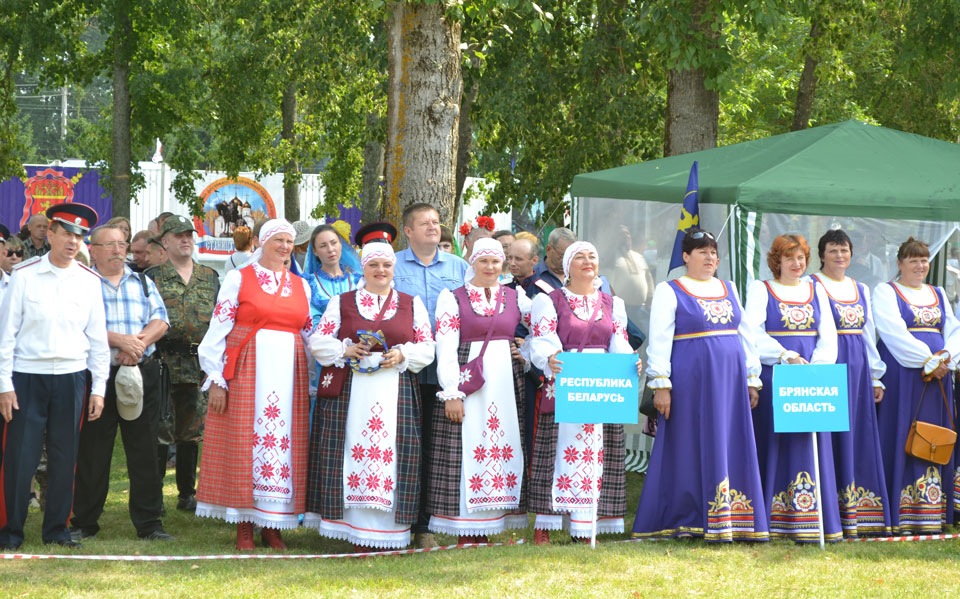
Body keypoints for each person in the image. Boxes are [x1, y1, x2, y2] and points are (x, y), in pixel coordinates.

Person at [632, 229, 767, 542]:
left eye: (713, 253)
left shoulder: (729, 287)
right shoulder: (671, 290)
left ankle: (732, 518)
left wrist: (751, 377)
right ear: (686, 256)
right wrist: (661, 385)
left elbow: (746, 335)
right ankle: (687, 518)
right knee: (688, 443)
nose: (710, 258)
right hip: (691, 384)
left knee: (730, 440)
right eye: (702, 252)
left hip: (730, 384)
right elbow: (660, 339)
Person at [306, 236, 436, 550]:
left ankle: (389, 533)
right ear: (363, 268)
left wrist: (404, 355)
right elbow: (318, 340)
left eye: (387, 265)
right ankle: (354, 531)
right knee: (351, 452)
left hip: (396, 390)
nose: (380, 270)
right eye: (374, 264)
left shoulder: (411, 303)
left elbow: (428, 346)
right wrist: (344, 348)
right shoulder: (343, 302)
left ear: (394, 268)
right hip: (353, 392)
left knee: (392, 455)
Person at [196, 219, 313, 550]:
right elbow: (218, 329)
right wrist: (216, 378)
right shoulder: (238, 278)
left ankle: (273, 524)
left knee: (283, 444)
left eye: (290, 241)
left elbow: (308, 333)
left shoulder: (300, 285)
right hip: (249, 368)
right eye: (278, 240)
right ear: (263, 242)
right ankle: (244, 523)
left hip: (289, 373)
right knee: (246, 442)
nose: (285, 247)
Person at [0, 202, 109, 550]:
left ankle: (57, 529)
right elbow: (6, 337)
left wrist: (99, 388)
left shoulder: (90, 282)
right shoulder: (24, 275)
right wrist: (4, 386)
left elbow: (98, 340)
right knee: (20, 457)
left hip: (71, 377)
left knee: (65, 456)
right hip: (26, 377)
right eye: (66, 234)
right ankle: (11, 530)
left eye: (79, 236)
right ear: (50, 234)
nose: (73, 242)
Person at [527, 241, 638, 545]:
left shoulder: (613, 304)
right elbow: (542, 339)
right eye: (580, 257)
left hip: (601, 384)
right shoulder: (549, 301)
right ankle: (546, 526)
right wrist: (549, 357)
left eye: (592, 256)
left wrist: (628, 361)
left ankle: (586, 526)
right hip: (568, 380)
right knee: (559, 453)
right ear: (567, 267)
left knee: (596, 454)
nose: (588, 261)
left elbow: (618, 340)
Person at [70, 224, 173, 542]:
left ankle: (149, 524)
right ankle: (85, 522)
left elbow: (161, 319)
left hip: (142, 373)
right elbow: (75, 324)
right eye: (110, 244)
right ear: (95, 249)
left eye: (122, 243)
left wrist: (138, 343)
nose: (117, 249)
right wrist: (120, 341)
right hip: (98, 377)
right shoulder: (81, 282)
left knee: (144, 449)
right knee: (93, 451)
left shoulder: (142, 281)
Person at [430, 238, 532, 542]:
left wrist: (527, 351)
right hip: (468, 380)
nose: (490, 267)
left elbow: (546, 327)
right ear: (472, 262)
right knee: (467, 446)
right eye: (484, 261)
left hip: (504, 383)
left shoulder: (516, 297)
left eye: (496, 261)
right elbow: (445, 347)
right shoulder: (453, 298)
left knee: (502, 445)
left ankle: (493, 523)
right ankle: (465, 530)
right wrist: (452, 391)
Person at [746, 233, 842, 542]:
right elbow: (751, 333)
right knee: (777, 442)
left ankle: (810, 518)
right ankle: (773, 517)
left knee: (808, 442)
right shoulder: (762, 290)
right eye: (790, 258)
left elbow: (828, 334)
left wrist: (817, 367)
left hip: (810, 378)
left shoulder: (817, 290)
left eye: (801, 258)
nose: (797, 263)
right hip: (777, 375)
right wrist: (785, 355)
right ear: (777, 261)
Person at [393, 203, 469, 548]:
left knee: (436, 451)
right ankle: (396, 523)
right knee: (405, 448)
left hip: (446, 374)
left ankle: (426, 526)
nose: (432, 227)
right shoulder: (391, 265)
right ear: (408, 230)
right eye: (424, 223)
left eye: (436, 222)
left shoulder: (460, 267)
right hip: (404, 371)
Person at [873, 237, 960, 533]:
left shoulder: (937, 292)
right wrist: (929, 360)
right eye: (913, 260)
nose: (920, 265)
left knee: (936, 435)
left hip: (939, 376)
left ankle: (931, 511)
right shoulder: (886, 291)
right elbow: (892, 331)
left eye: (923, 260)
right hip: (904, 374)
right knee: (904, 432)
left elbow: (954, 329)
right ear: (900, 264)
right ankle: (898, 512)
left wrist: (947, 357)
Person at [810, 229, 891, 537]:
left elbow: (868, 334)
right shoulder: (811, 284)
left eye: (844, 251)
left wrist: (874, 375)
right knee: (829, 434)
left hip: (857, 364)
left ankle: (856, 512)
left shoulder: (860, 288)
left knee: (855, 433)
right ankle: (827, 510)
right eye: (833, 251)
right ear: (821, 255)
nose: (839, 256)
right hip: (829, 364)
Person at [146, 215, 220, 513]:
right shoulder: (151, 277)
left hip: (197, 363)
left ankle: (187, 494)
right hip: (163, 362)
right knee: (161, 429)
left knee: (191, 430)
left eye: (189, 234)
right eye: (178, 236)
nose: (185, 239)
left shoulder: (210, 276)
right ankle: (154, 495)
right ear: (165, 241)